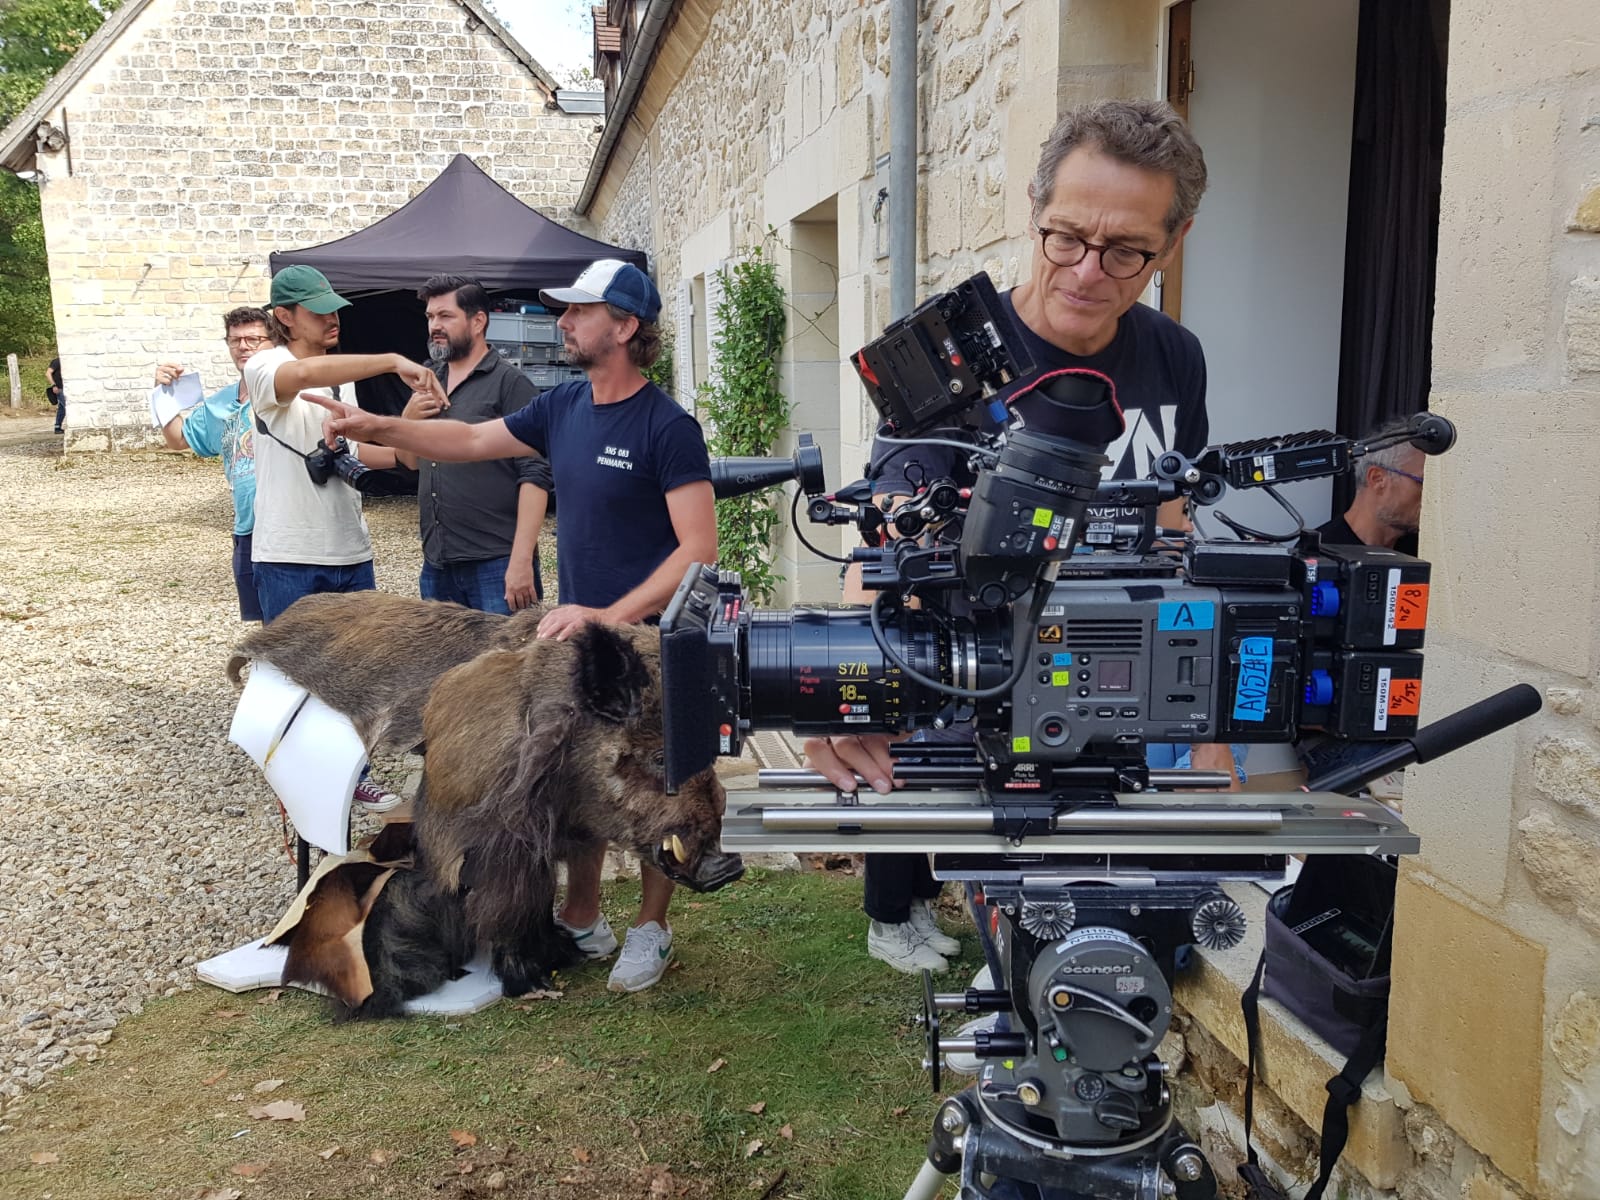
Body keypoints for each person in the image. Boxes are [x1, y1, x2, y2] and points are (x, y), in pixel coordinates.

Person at [804, 97, 1229, 974]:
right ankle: (901, 918)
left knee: (1113, 930)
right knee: (1010, 929)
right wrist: (836, 694)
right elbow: (878, 545)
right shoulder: (950, 351)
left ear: (1173, 243)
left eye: (1126, 251)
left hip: (1115, 687)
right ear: (1035, 213)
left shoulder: (1175, 356)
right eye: (1065, 237)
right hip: (974, 682)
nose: (1086, 271)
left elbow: (1175, 529)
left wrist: (1205, 719)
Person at [306, 258, 717, 993]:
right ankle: (584, 912)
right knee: (581, 774)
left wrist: (608, 617)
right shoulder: (562, 409)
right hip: (578, 642)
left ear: (623, 327)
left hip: (656, 649)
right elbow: (468, 442)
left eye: (578, 311)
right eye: (562, 311)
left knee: (662, 790)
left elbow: (698, 548)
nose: (562, 322)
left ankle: (652, 929)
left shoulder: (668, 427)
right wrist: (377, 425)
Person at [245, 263, 444, 813]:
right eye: (318, 309)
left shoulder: (340, 381)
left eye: (335, 307)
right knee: (296, 678)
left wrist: (403, 425)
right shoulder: (267, 364)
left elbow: (378, 457)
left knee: (358, 677)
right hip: (289, 553)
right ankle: (298, 784)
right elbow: (296, 382)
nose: (332, 317)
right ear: (284, 317)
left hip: (350, 551)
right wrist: (392, 359)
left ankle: (350, 774)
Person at [401, 275, 551, 612]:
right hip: (437, 564)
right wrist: (408, 418)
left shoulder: (510, 384)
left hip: (496, 564)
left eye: (445, 316)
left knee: (504, 664)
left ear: (478, 320)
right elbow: (410, 462)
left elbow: (535, 475)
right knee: (446, 665)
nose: (434, 326)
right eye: (430, 317)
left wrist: (521, 561)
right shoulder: (428, 380)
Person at [154, 307, 272, 621]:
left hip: (285, 526)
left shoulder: (287, 390)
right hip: (246, 527)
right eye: (236, 340)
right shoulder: (220, 403)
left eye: (254, 339)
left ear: (274, 342)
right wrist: (162, 392)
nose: (244, 346)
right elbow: (178, 439)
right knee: (266, 624)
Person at [1316, 419, 1424, 554]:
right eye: (1422, 482)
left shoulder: (1424, 549)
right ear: (1378, 479)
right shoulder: (1320, 554)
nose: (1430, 497)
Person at [47, 355, 64, 433]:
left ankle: (57, 427)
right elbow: (48, 373)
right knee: (67, 406)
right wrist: (53, 385)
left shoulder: (66, 362)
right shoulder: (57, 361)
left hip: (64, 388)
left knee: (62, 408)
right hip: (59, 388)